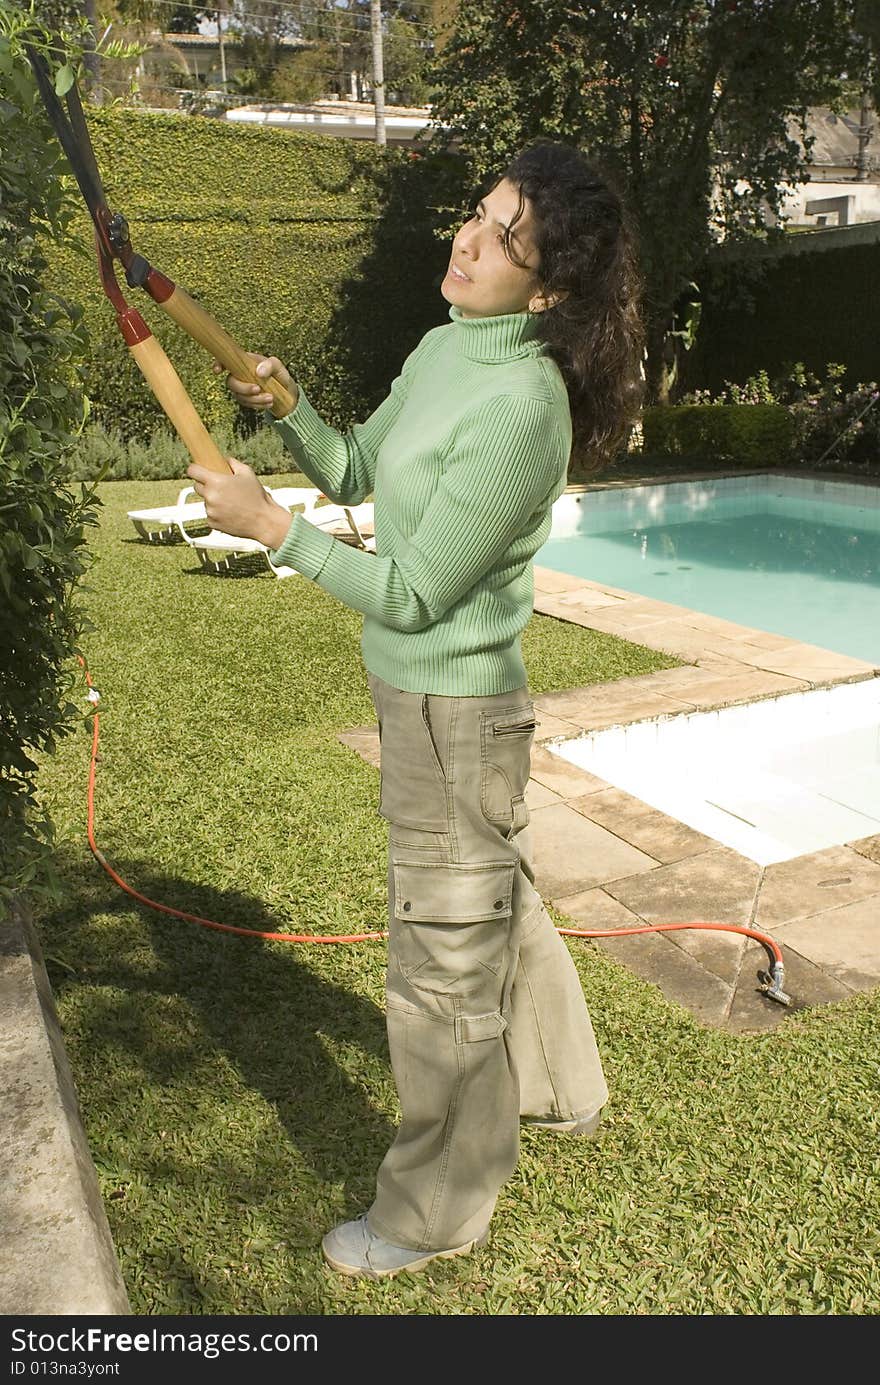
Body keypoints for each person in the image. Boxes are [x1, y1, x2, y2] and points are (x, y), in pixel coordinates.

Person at [187, 141, 645, 1281]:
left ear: (546, 289)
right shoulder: (447, 346)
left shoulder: (523, 407)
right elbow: (355, 472)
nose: (468, 239)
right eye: (476, 214)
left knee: (443, 958)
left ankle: (432, 1210)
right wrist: (292, 412)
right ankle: (562, 1087)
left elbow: (412, 589)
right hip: (420, 698)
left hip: (456, 709)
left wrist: (267, 530)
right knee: (495, 896)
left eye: (503, 237)